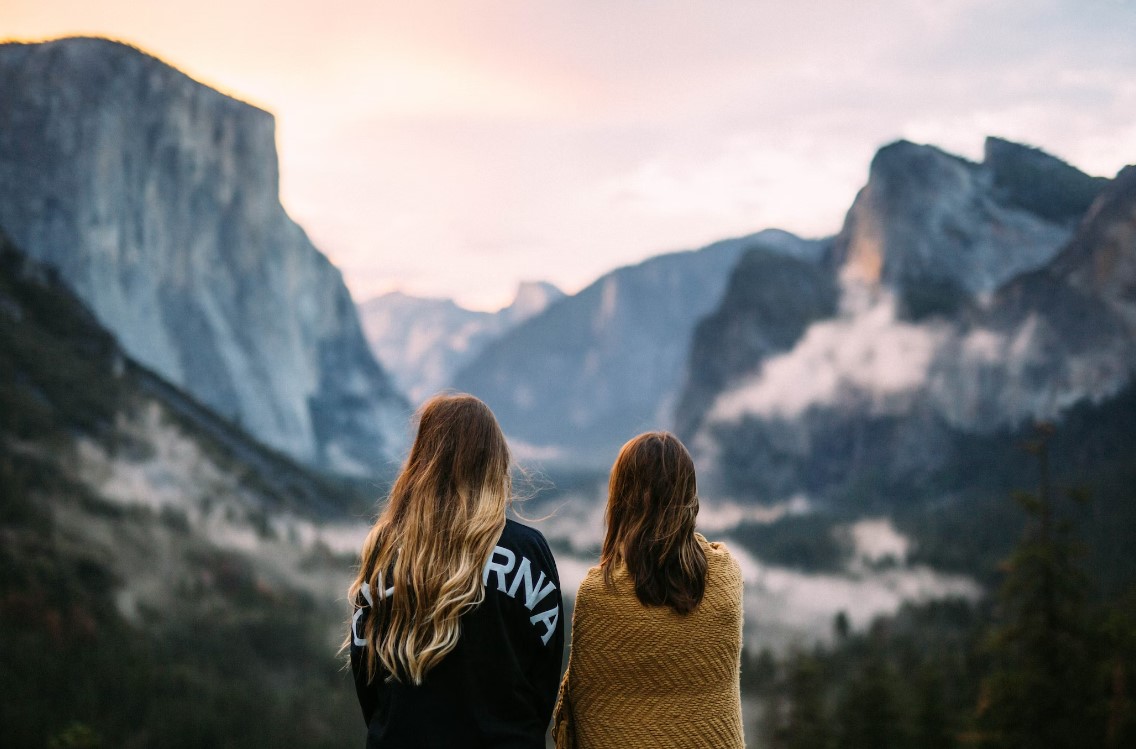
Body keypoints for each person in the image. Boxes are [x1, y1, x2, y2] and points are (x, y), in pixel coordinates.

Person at [347, 393, 564, 748]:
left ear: (422, 461)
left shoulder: (384, 550)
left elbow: (366, 674)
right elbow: (544, 679)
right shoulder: (528, 551)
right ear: (496, 463)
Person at [553, 431, 744, 749]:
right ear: (690, 499)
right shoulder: (726, 577)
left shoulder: (599, 594)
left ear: (620, 499)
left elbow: (587, 710)